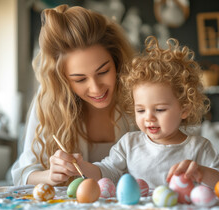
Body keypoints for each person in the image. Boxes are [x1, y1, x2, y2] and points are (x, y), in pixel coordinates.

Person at [74, 36, 219, 189]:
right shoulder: (129, 144)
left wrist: (203, 172)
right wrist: (79, 166)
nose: (149, 117)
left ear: (184, 109)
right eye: (140, 110)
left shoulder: (199, 148)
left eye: (159, 109)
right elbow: (107, 171)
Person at [11, 5, 136, 186]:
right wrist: (50, 176)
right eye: (80, 79)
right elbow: (21, 175)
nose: (96, 89)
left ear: (116, 61)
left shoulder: (139, 92)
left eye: (103, 72)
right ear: (63, 80)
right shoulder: (50, 98)